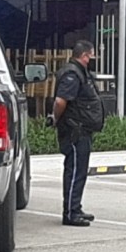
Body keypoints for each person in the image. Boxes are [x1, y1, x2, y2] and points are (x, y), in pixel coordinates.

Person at [46, 40, 105, 227]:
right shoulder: (72, 74)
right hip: (74, 131)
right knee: (74, 172)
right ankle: (70, 213)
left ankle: (76, 208)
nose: (94, 59)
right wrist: (55, 118)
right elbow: (60, 101)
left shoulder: (81, 73)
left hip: (83, 130)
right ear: (85, 55)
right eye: (92, 55)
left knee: (80, 172)